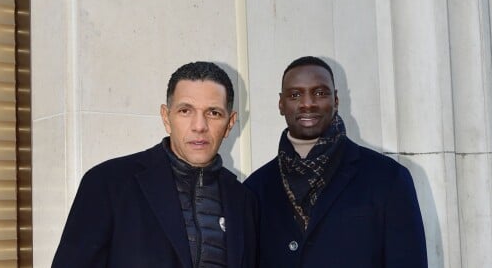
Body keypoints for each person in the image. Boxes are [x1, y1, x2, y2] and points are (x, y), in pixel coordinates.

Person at [52, 61, 258, 267]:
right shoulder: (108, 183)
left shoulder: (242, 200)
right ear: (166, 117)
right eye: (185, 111)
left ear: (229, 124)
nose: (199, 126)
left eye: (213, 113)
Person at [244, 56, 427, 267]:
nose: (307, 104)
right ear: (281, 104)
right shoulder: (255, 189)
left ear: (336, 100)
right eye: (295, 95)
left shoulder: (388, 178)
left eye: (320, 93)